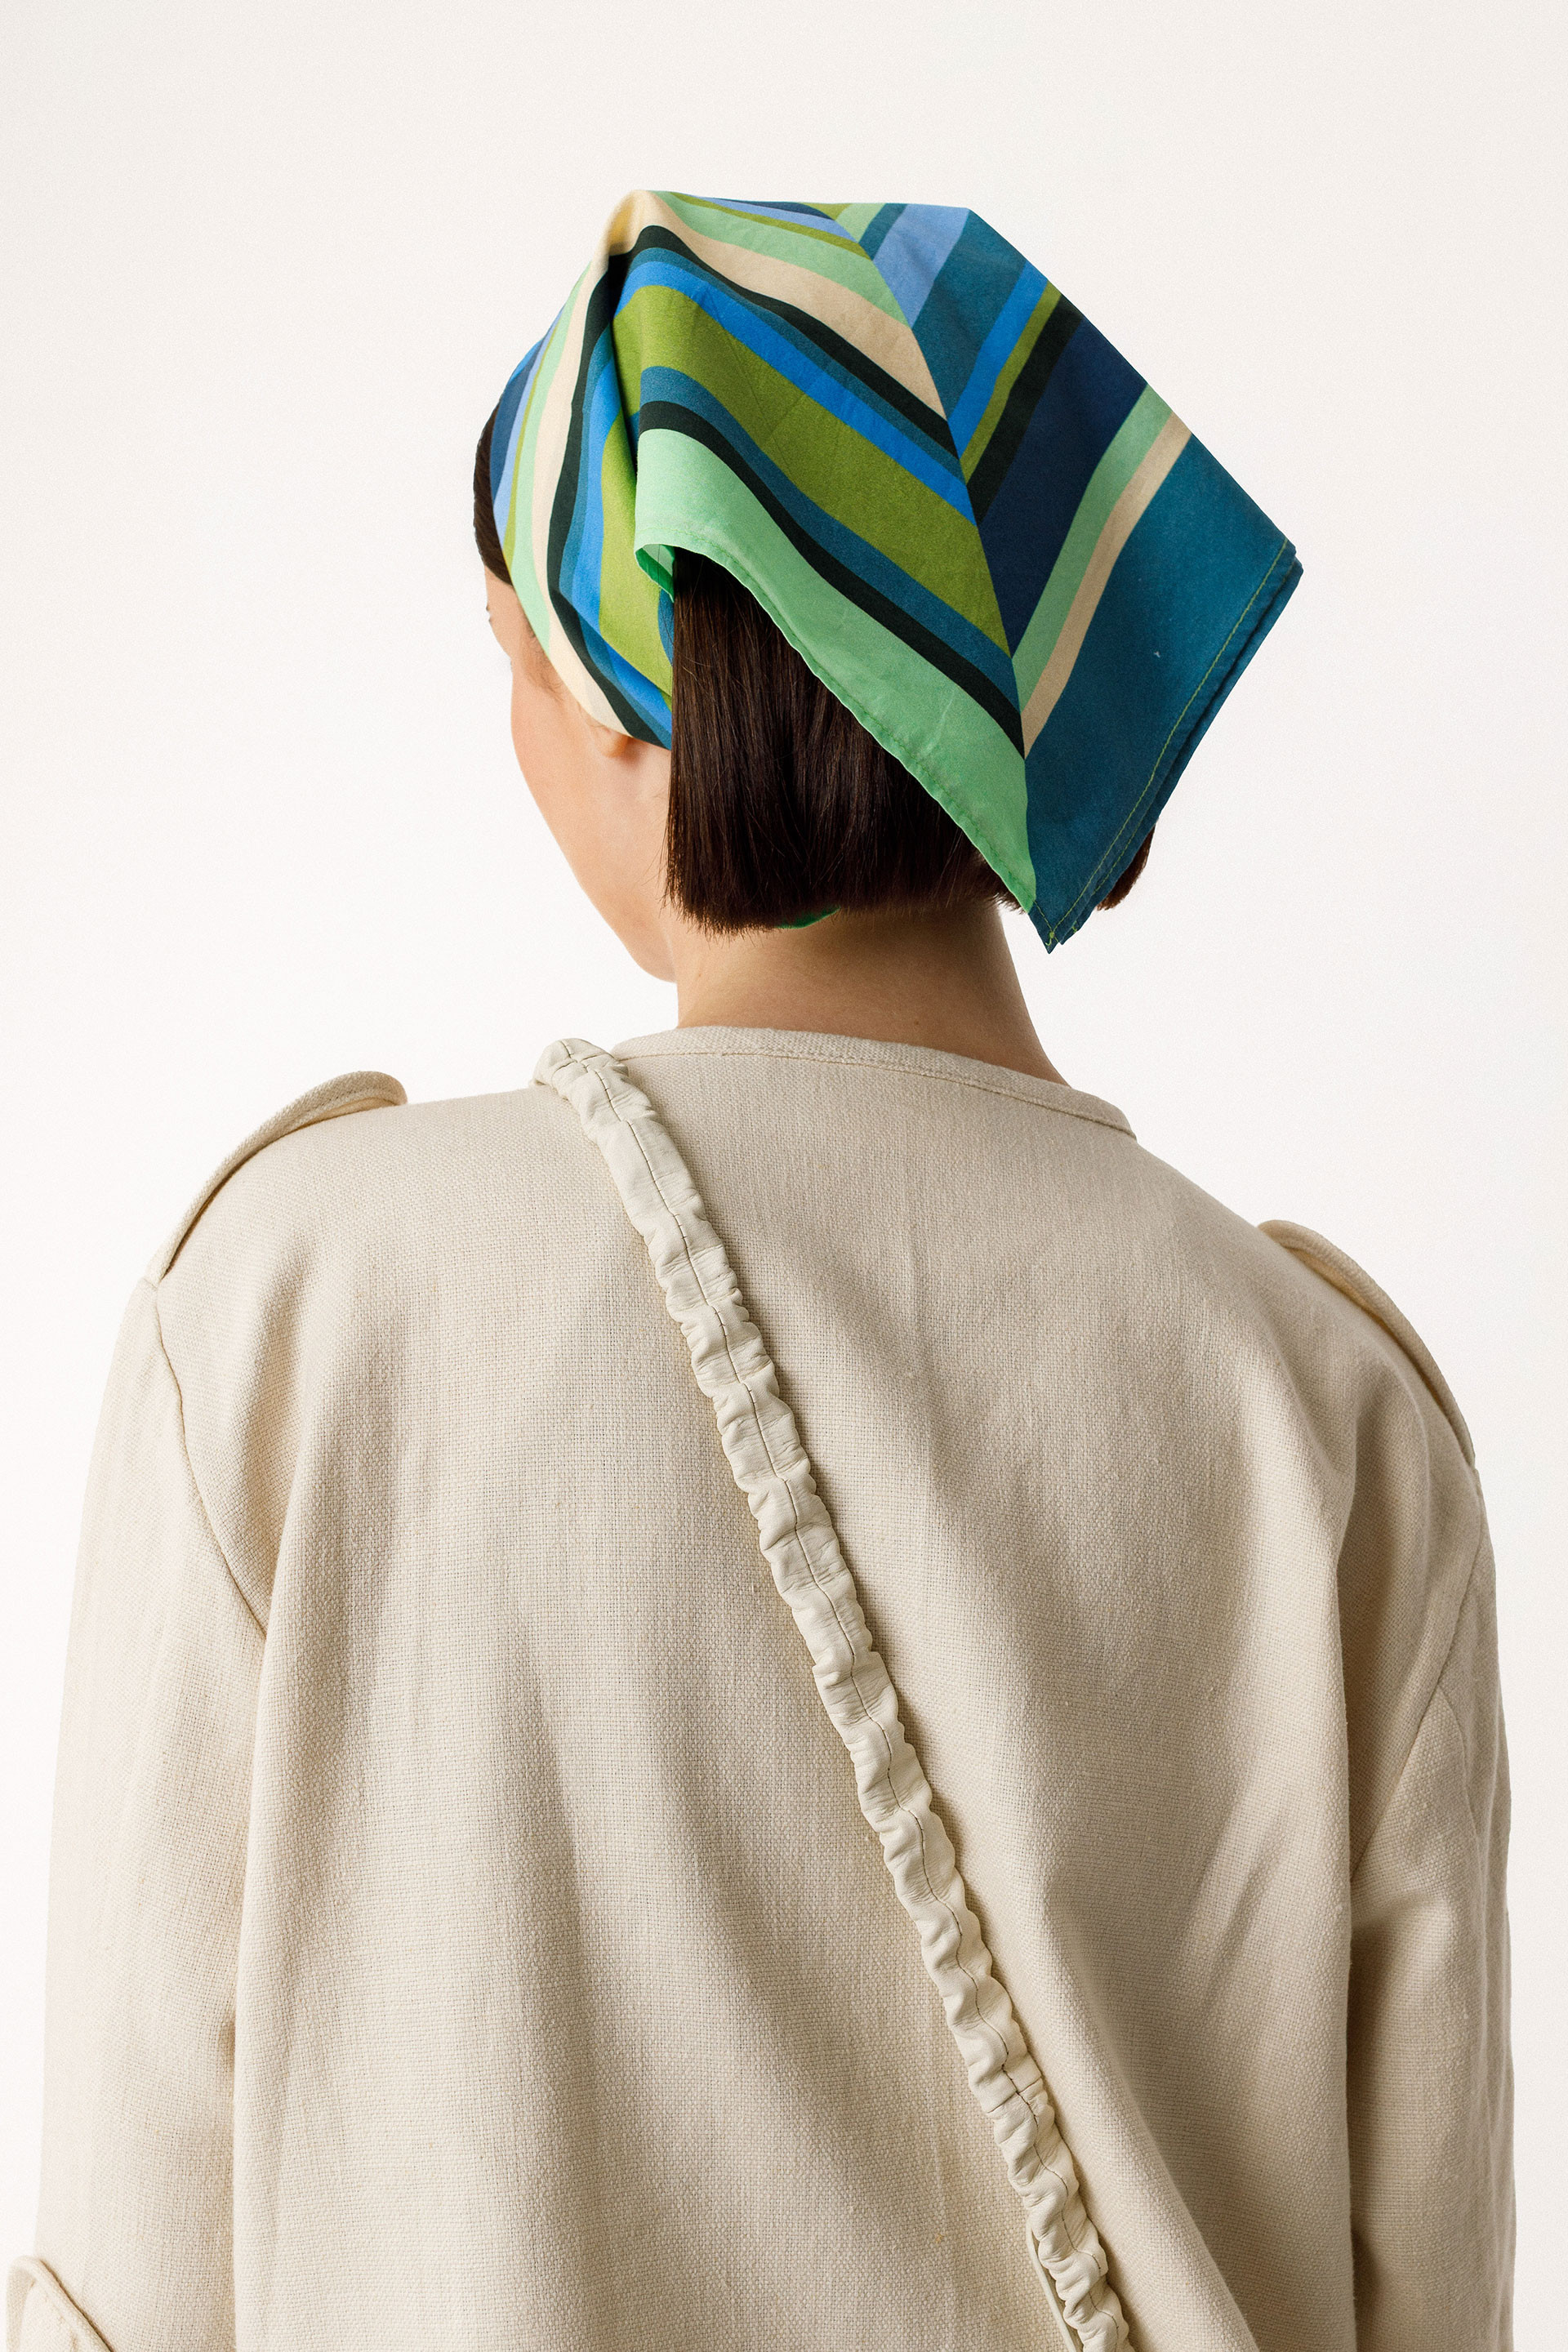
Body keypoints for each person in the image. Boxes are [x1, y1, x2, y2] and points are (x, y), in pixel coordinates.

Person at [8, 194, 1510, 2352]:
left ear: (637, 699)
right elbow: (1425, 2299)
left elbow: (119, 2294)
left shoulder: (301, 1315)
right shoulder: (1327, 1417)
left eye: (515, 656)